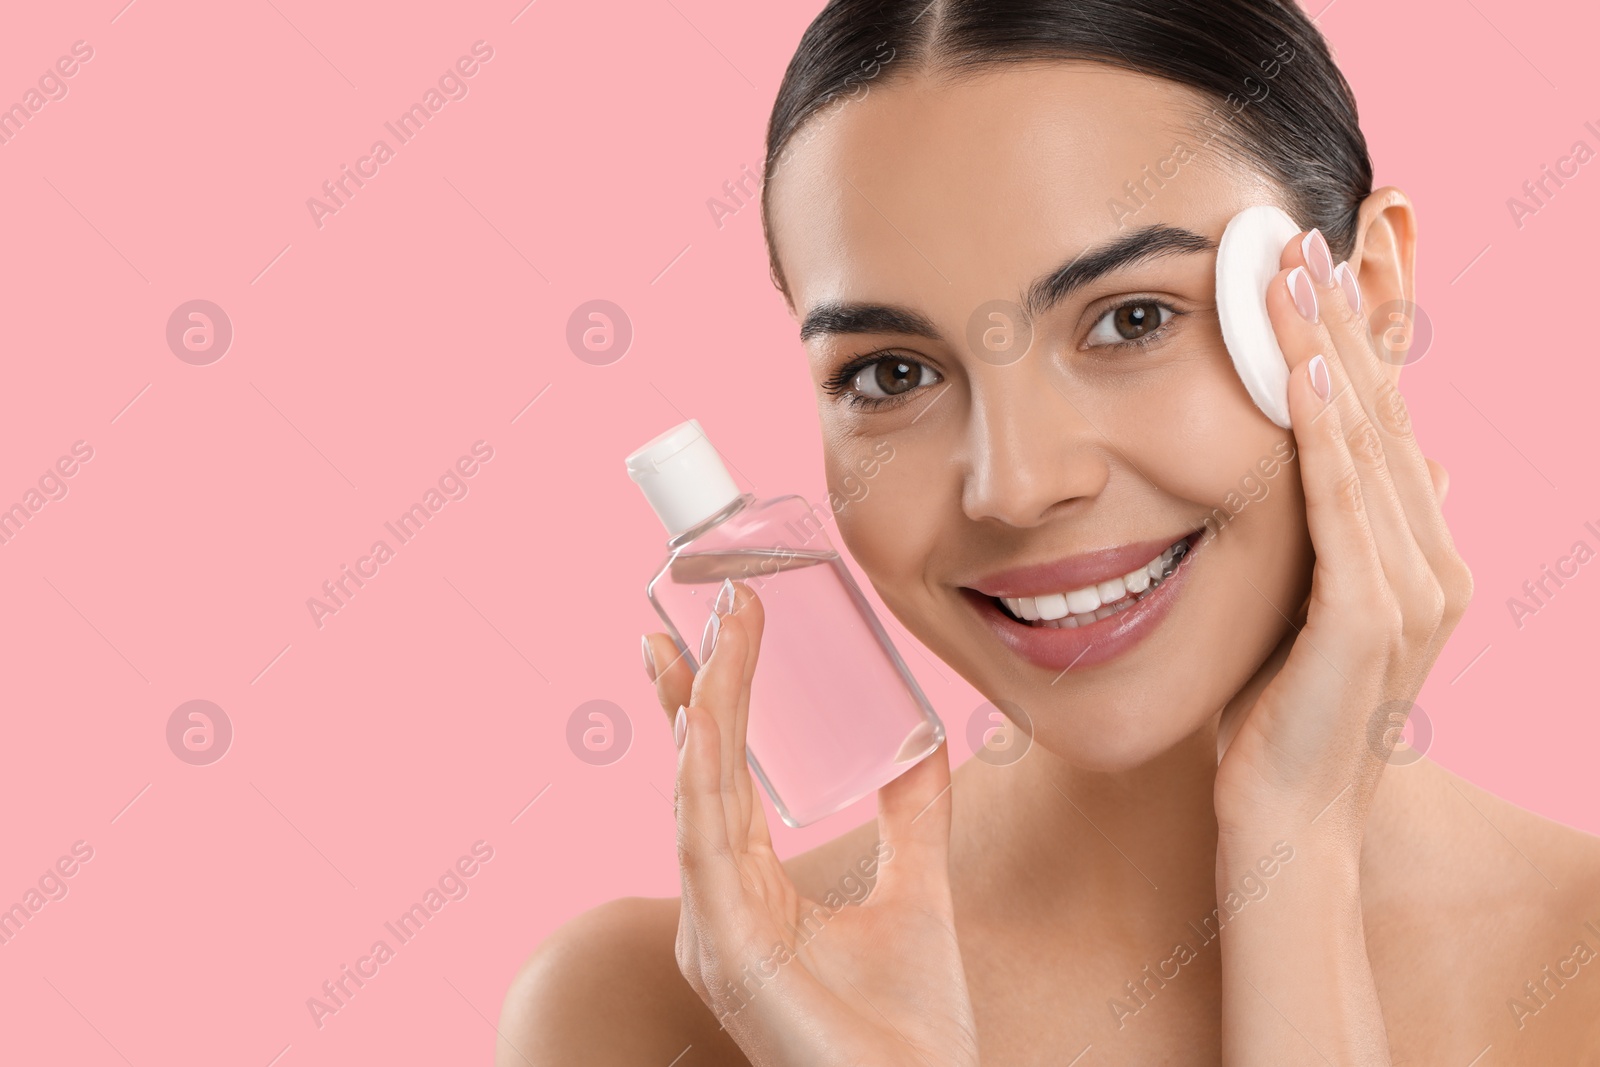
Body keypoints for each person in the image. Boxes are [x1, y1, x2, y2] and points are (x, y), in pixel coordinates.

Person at [500, 1, 1600, 1061]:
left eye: (1131, 318)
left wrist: (1293, 852)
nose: (1015, 485)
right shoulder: (651, 1012)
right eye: (892, 372)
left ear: (1362, 293)